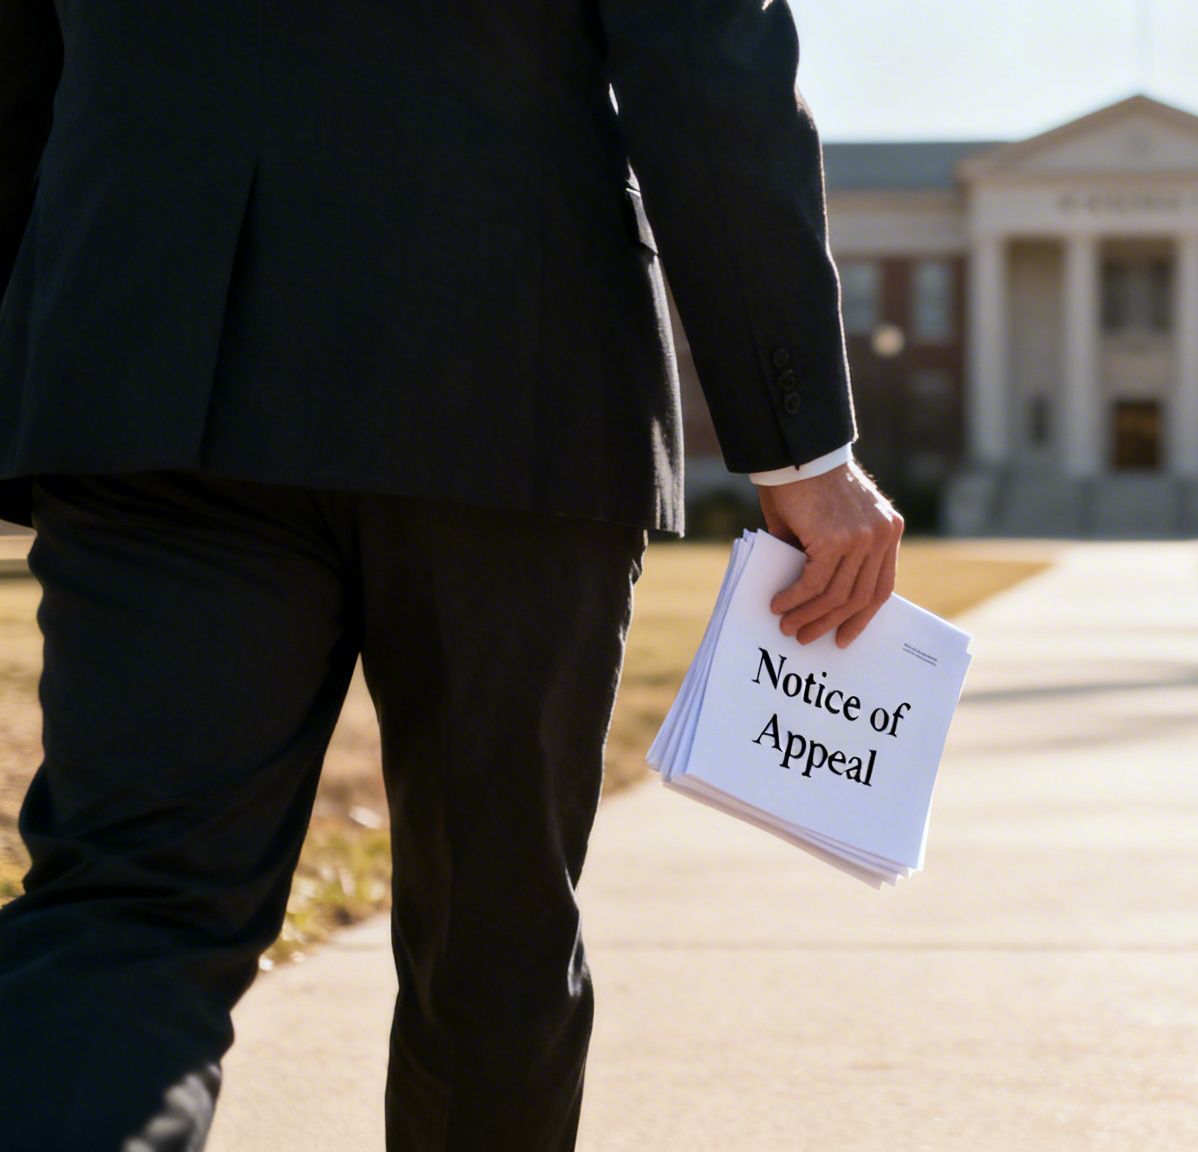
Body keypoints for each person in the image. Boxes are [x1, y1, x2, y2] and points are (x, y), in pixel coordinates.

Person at [0, 1, 901, 1148]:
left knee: (122, 917)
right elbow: (707, 59)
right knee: (496, 932)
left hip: (151, 352)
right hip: (506, 374)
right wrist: (803, 450)